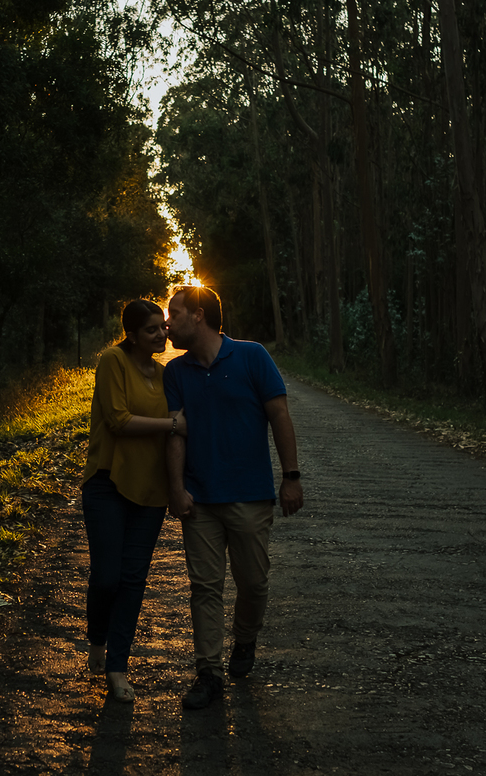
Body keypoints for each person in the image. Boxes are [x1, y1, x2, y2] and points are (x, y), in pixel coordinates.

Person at [163, 285, 304, 710]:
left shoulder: (252, 356)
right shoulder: (176, 373)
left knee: (253, 583)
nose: (168, 322)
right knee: (204, 587)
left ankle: (245, 639)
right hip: (200, 498)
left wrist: (291, 477)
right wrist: (176, 488)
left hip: (250, 495)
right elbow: (175, 431)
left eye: (175, 313)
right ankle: (208, 672)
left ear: (199, 315)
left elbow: (279, 414)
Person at [81, 298, 185, 703]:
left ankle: (117, 666)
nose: (162, 334)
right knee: (107, 576)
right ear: (132, 334)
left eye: (163, 327)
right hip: (108, 481)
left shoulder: (164, 373)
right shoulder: (112, 361)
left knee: (133, 580)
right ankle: (97, 638)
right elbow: (117, 420)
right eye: (152, 329)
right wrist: (172, 424)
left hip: (150, 490)